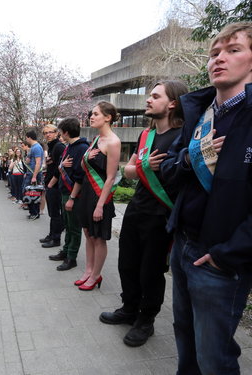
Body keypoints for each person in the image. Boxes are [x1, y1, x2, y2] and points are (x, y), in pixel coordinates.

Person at [161, 22, 252, 374]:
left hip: (219, 259)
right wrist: (191, 157)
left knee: (214, 358)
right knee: (184, 337)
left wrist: (227, 254)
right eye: (214, 52)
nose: (219, 59)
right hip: (183, 245)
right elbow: (169, 170)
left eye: (233, 50)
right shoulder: (199, 112)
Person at [99, 81, 188, 347]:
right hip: (137, 209)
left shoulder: (184, 136)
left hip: (161, 213)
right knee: (127, 263)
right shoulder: (146, 136)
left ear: (172, 103)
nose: (148, 100)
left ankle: (146, 320)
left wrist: (139, 167)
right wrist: (143, 166)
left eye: (155, 96)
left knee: (151, 270)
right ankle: (129, 309)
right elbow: (129, 171)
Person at [74, 102, 121, 287]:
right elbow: (82, 168)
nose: (91, 117)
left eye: (95, 114)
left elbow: (111, 178)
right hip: (87, 192)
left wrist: (100, 205)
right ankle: (88, 271)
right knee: (88, 234)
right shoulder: (95, 140)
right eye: (91, 114)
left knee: (99, 237)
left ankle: (96, 275)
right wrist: (89, 158)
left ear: (107, 117)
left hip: (100, 196)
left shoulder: (114, 142)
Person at [48, 117, 89, 271]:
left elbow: (79, 175)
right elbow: (61, 167)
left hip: (73, 194)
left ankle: (72, 257)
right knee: (68, 224)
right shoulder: (69, 147)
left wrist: (72, 198)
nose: (60, 135)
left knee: (74, 227)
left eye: (61, 132)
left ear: (66, 132)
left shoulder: (81, 148)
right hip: (65, 191)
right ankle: (66, 251)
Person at [39, 124, 65, 248]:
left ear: (56, 133)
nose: (48, 135)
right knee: (52, 213)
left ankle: (56, 239)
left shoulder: (59, 146)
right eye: (45, 133)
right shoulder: (52, 146)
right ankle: (51, 234)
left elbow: (60, 167)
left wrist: (51, 183)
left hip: (55, 185)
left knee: (55, 213)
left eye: (50, 132)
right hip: (50, 183)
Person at [24, 130, 44, 220]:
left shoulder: (36, 147)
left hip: (34, 174)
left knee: (33, 194)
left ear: (29, 137)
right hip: (30, 173)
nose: (26, 139)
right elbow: (28, 161)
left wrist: (34, 176)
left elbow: (38, 163)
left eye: (26, 137)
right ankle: (33, 212)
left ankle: (35, 212)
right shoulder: (32, 148)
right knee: (29, 193)